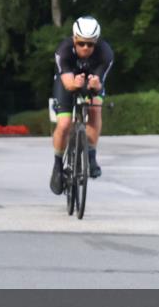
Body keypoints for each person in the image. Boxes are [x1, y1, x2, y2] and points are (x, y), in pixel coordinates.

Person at [49, 16, 114, 195]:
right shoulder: (63, 50)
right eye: (81, 43)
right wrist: (75, 84)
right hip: (67, 81)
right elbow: (68, 85)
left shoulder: (105, 53)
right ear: (74, 39)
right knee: (64, 124)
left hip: (91, 81)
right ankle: (57, 165)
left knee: (95, 108)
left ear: (96, 42)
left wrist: (95, 85)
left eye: (90, 44)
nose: (85, 48)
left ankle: (91, 155)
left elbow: (99, 84)